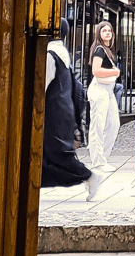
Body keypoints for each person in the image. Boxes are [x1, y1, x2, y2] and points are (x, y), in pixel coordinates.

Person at [42, 18, 103, 201]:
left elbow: (42, 86)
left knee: (57, 154)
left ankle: (89, 176)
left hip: (53, 112)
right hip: (62, 111)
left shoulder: (50, 54)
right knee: (50, 154)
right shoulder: (62, 52)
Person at [87, 21, 121, 173]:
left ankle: (103, 158)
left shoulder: (108, 50)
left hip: (108, 90)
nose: (107, 33)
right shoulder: (100, 50)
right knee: (98, 126)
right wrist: (114, 72)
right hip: (100, 89)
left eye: (109, 30)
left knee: (113, 124)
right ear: (99, 34)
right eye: (104, 31)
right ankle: (98, 161)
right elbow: (96, 70)